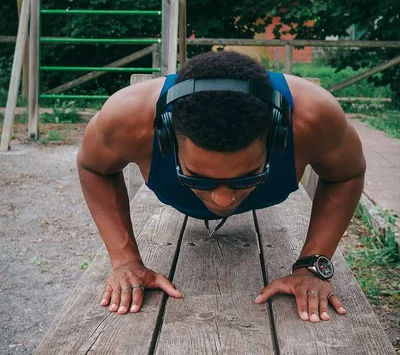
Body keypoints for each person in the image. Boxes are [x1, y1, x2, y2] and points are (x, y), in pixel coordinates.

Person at [77, 50, 365, 324]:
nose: (224, 200)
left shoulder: (314, 117)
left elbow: (346, 174)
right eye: (199, 178)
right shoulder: (128, 119)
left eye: (246, 177)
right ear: (165, 139)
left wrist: (312, 266)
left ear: (279, 136)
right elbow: (94, 167)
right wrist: (125, 260)